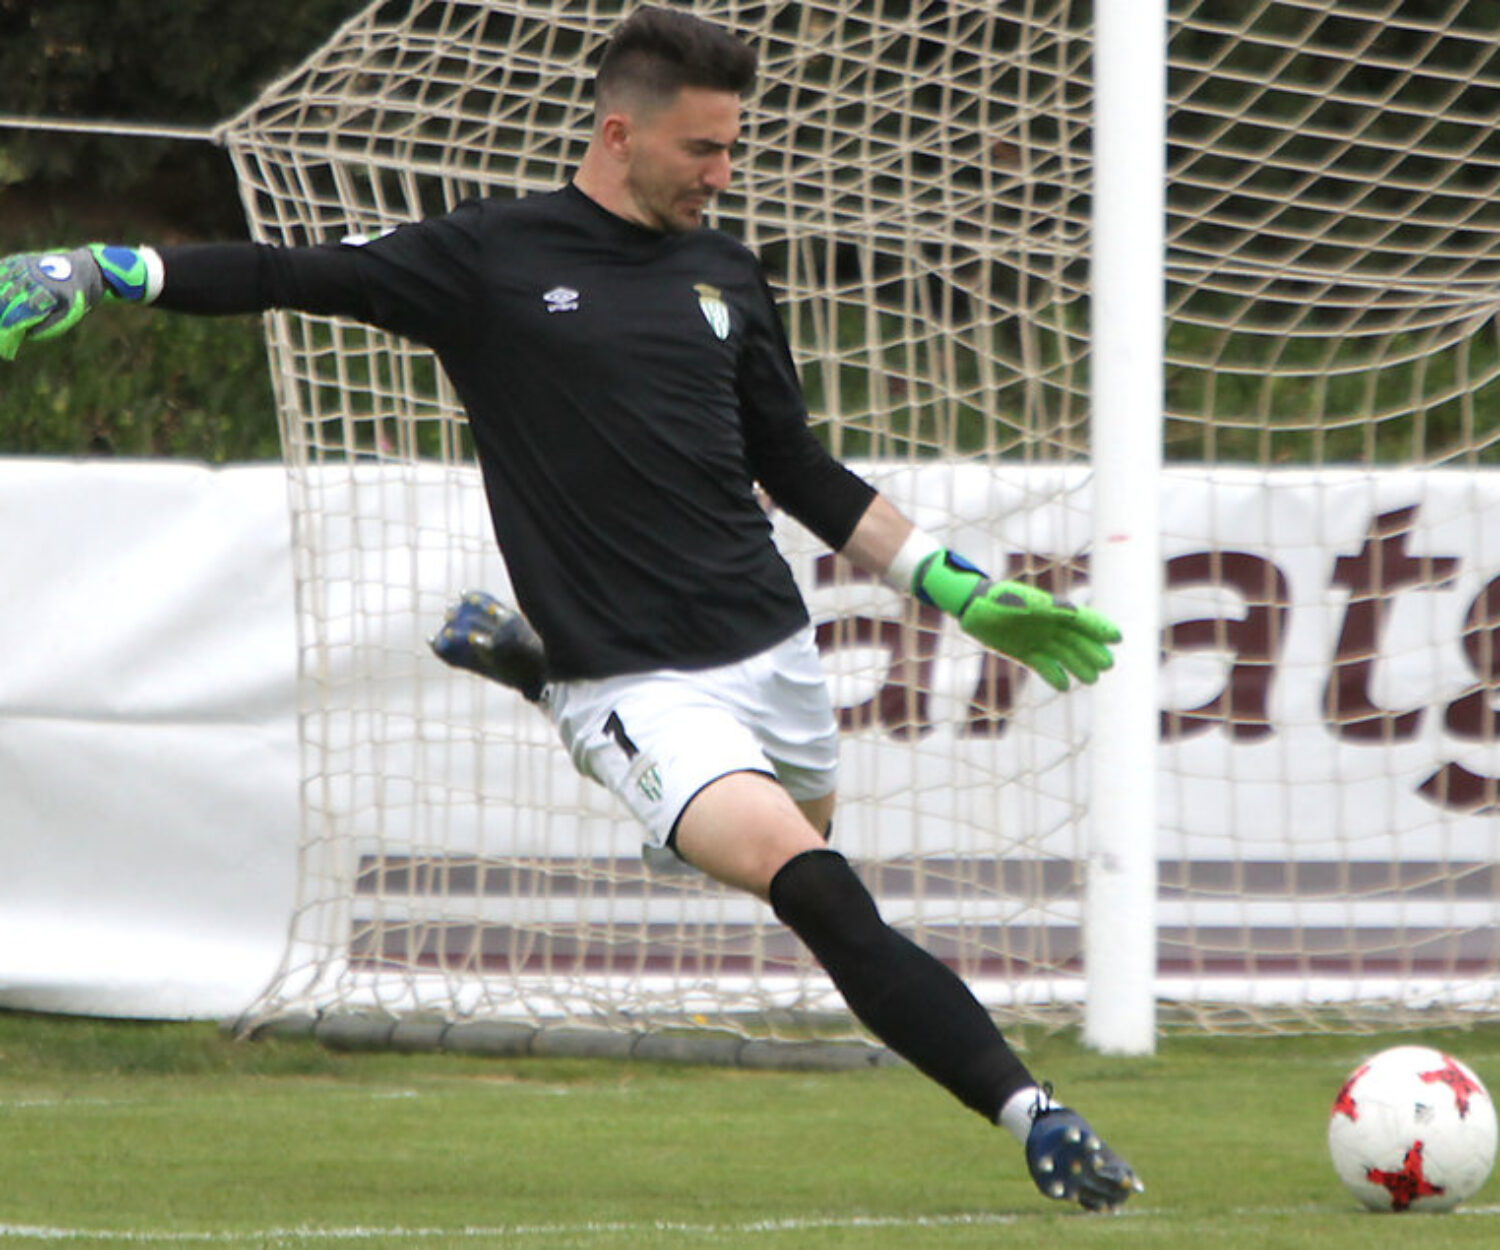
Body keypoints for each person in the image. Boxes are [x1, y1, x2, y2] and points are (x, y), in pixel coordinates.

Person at [0, 5, 1141, 1211]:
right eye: (703, 150)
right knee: (816, 887)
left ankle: (540, 674)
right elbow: (294, 272)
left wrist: (953, 585)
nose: (724, 174)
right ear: (618, 135)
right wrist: (115, 267)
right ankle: (1037, 1115)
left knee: (792, 851)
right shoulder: (492, 258)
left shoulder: (726, 272)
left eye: (731, 148)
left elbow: (798, 467)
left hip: (773, 651)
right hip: (640, 684)